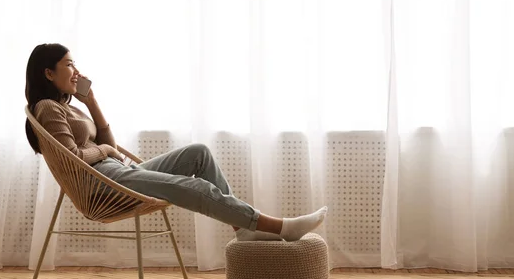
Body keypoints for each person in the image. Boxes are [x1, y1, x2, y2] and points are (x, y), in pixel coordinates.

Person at [25, 43, 327, 242]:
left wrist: (92, 103)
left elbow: (107, 143)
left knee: (199, 154)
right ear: (49, 73)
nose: (76, 71)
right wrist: (108, 151)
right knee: (197, 188)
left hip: (114, 171)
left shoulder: (70, 106)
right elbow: (73, 155)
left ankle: (243, 230)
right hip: (101, 184)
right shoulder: (47, 108)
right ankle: (281, 227)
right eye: (69, 64)